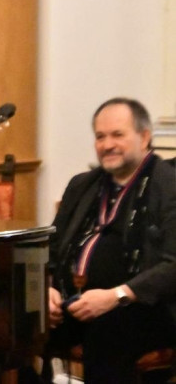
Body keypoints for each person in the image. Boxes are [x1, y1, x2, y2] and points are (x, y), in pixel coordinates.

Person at [47, 98, 176, 383]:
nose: (107, 145)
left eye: (118, 135)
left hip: (145, 307)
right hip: (76, 302)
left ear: (145, 137)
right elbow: (51, 247)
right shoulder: (82, 184)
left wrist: (115, 296)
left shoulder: (169, 185)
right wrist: (48, 288)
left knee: (108, 330)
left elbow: (172, 265)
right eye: (100, 136)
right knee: (15, 321)